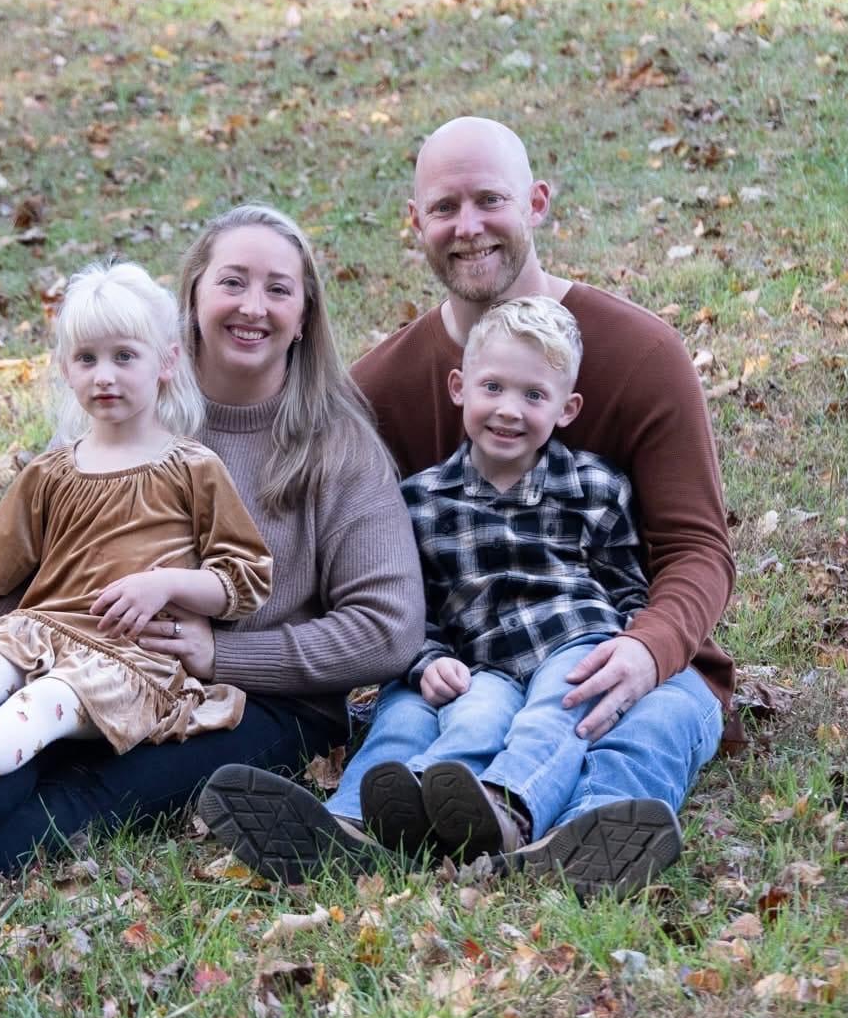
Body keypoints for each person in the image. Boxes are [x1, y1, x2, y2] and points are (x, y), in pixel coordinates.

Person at [0, 205, 425, 914]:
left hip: (264, 703)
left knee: (89, 787)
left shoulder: (337, 447)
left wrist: (220, 655)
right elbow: (28, 575)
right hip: (97, 660)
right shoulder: (129, 409)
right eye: (232, 282)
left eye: (278, 289)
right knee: (21, 728)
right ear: (192, 299)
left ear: (305, 312)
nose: (253, 307)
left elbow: (387, 629)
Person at [201, 117, 736, 898]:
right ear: (415, 223)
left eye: (490, 200)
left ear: (536, 203)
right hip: (461, 655)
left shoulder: (641, 354)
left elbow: (697, 549)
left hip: (608, 645)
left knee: (646, 722)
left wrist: (647, 649)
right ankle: (348, 832)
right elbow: (339, 561)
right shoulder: (376, 391)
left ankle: (587, 836)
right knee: (406, 720)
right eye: (445, 208)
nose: (469, 226)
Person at [0, 260, 272, 805]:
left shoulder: (193, 468)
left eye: (124, 356)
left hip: (126, 665)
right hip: (37, 634)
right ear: (66, 368)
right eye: (87, 358)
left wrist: (167, 585)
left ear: (167, 361)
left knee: (36, 708)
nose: (103, 375)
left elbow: (246, 579)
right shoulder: (50, 473)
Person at [359, 294, 650, 861]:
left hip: (576, 642)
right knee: (473, 721)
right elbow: (409, 609)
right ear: (459, 388)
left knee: (557, 711)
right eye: (492, 387)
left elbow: (625, 583)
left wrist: (638, 641)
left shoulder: (595, 486)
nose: (509, 410)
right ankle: (408, 806)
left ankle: (510, 805)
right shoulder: (419, 502)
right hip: (482, 663)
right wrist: (429, 660)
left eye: (534, 395)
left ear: (567, 409)